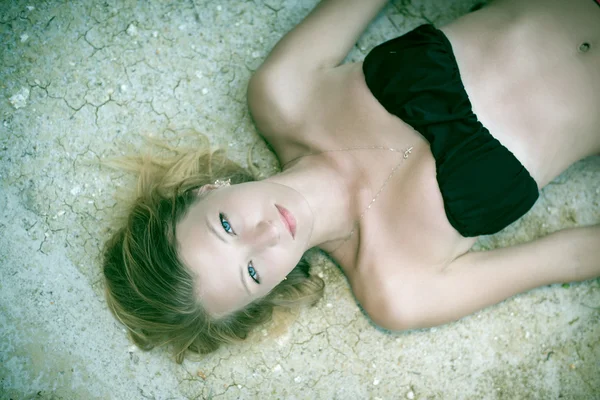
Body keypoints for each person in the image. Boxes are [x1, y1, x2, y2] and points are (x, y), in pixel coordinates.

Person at [103, 0, 600, 363]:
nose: (268, 234)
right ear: (266, 295)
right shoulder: (399, 288)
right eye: (252, 273)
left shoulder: (283, 93)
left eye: (227, 226)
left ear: (207, 190)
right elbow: (572, 256)